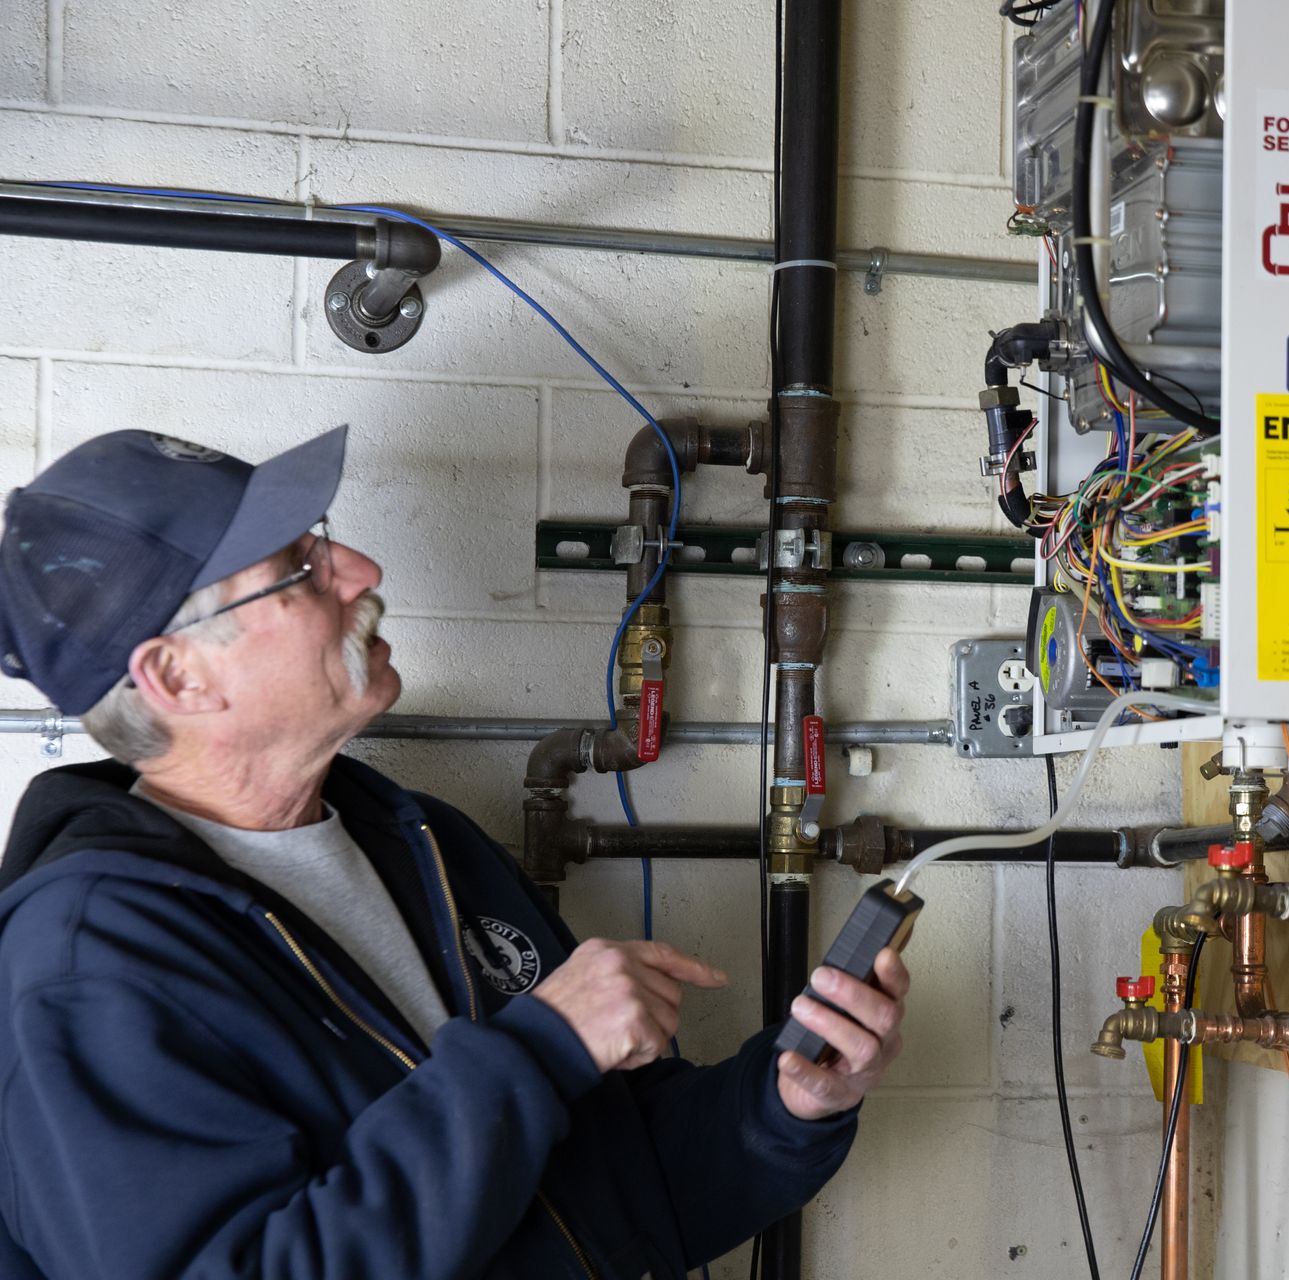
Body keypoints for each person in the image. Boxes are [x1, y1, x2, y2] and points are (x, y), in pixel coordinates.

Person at [0, 425, 909, 1279]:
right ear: (177, 676)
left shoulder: (423, 842)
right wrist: (542, 1049)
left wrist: (785, 1108)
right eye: (298, 570)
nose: (358, 569)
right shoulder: (90, 969)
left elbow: (618, 1188)